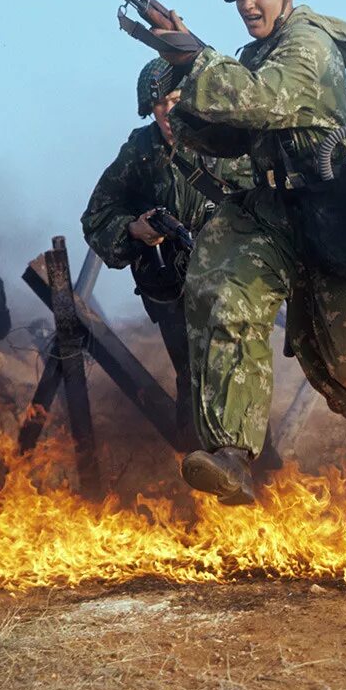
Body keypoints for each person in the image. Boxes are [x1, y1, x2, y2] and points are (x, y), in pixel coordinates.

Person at [151, 0, 346, 504]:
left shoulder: (309, 45)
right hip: (268, 210)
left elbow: (264, 99)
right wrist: (184, 89)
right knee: (224, 295)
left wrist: (196, 58)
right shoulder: (253, 57)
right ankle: (232, 454)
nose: (246, 5)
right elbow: (233, 137)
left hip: (328, 210)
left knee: (337, 357)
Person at [81, 58, 236, 450]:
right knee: (194, 377)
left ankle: (256, 466)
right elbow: (97, 216)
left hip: (228, 278)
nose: (168, 111)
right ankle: (201, 463)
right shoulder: (140, 151)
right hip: (172, 285)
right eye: (159, 104)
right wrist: (134, 229)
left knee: (234, 370)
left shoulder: (226, 143)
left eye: (177, 99)